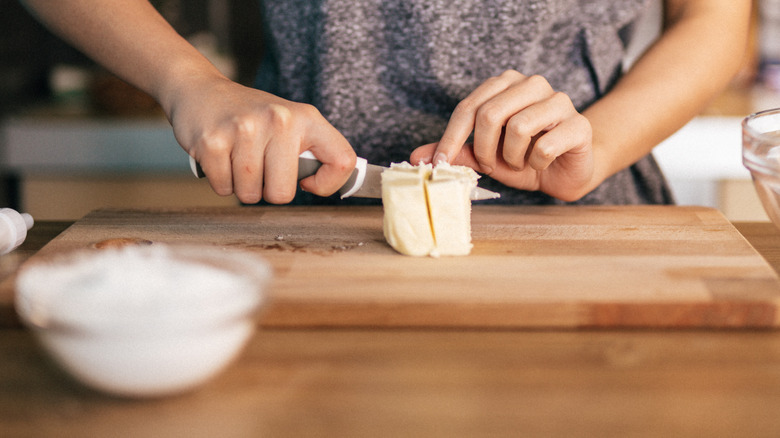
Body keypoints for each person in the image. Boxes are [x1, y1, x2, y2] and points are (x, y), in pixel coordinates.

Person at [21, 1, 750, 205]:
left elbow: (717, 20)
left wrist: (596, 143)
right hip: (303, 216)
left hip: (588, 213)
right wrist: (190, 80)